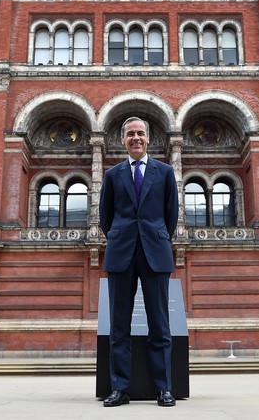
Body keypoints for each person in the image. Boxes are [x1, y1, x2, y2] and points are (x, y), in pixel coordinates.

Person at [99, 116, 179, 407]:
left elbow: (171, 215)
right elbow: (105, 217)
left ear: (149, 138)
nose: (136, 138)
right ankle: (120, 388)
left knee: (160, 325)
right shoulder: (112, 175)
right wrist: (122, 236)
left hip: (155, 253)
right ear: (122, 140)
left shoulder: (165, 172)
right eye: (130, 134)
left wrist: (155, 237)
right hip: (121, 253)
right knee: (118, 327)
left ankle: (164, 388)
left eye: (140, 134)